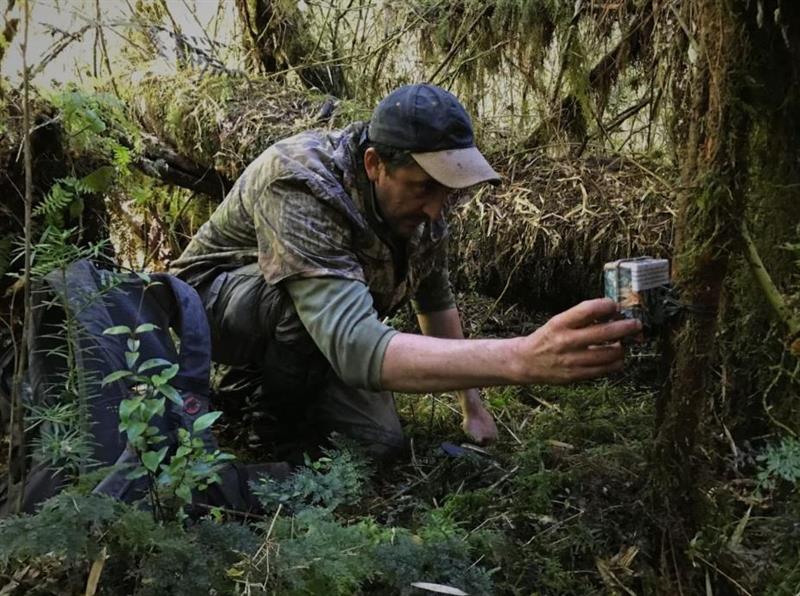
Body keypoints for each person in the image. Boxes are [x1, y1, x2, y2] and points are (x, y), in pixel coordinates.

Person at [170, 83, 641, 459]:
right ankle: (268, 428)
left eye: (447, 190)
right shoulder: (299, 181)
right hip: (209, 310)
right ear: (375, 164)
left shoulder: (424, 205)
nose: (437, 209)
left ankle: (266, 380)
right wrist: (520, 359)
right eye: (423, 189)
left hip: (319, 326)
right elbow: (356, 346)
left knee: (378, 443)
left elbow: (435, 303)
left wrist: (472, 407)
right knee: (293, 305)